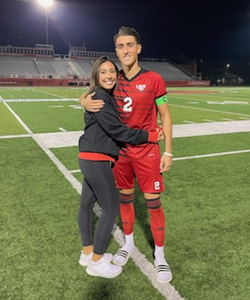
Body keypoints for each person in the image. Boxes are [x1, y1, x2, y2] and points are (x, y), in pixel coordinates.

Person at [80, 26, 173, 283]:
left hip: (147, 152)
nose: (125, 51)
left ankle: (161, 255)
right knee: (125, 201)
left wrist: (169, 151)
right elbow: (94, 89)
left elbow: (165, 115)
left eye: (129, 45)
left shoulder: (154, 79)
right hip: (120, 154)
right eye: (120, 46)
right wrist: (83, 100)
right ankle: (129, 244)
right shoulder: (114, 78)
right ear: (116, 50)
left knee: (153, 204)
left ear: (138, 48)